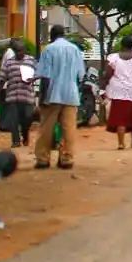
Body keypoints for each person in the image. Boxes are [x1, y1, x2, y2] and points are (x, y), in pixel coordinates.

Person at [33, 26, 84, 169]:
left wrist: (42, 98)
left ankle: (43, 159)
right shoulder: (75, 50)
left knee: (46, 129)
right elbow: (80, 75)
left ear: (51, 36)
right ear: (64, 35)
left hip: (52, 95)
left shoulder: (48, 49)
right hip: (71, 94)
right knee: (69, 129)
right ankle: (66, 159)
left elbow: (45, 76)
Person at [103, 36, 132, 150]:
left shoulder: (114, 58)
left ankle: (121, 143)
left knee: (120, 118)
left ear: (121, 45)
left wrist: (103, 88)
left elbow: (107, 74)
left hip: (119, 91)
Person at [0, 43, 35, 148]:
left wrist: (34, 78)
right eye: (17, 51)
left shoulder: (31, 61)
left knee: (28, 117)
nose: (19, 53)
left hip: (27, 95)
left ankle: (25, 134)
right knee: (13, 119)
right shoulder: (9, 63)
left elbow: (38, 73)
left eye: (21, 51)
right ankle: (16, 141)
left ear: (24, 50)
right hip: (12, 95)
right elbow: (2, 77)